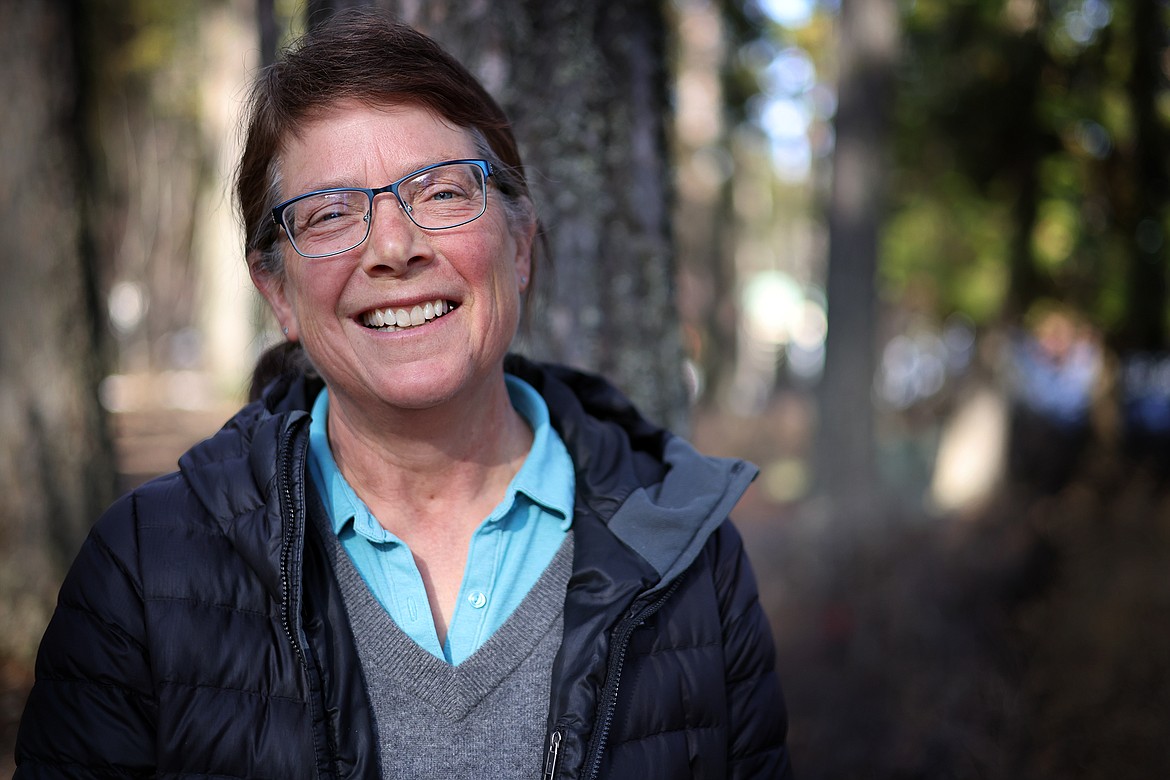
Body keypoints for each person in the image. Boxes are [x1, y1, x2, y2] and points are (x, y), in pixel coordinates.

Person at [15, 10, 791, 778]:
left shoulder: (690, 557)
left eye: (443, 192)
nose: (393, 247)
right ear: (277, 293)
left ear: (518, 244)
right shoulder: (142, 572)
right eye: (329, 214)